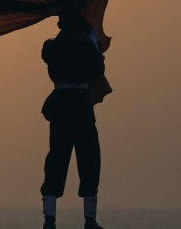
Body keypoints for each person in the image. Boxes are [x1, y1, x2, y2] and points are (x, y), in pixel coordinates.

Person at [40, 16, 106, 229]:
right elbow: (97, 69)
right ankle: (90, 220)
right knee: (89, 159)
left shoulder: (51, 48)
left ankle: (50, 220)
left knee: (57, 159)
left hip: (61, 106)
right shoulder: (84, 48)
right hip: (79, 106)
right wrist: (93, 41)